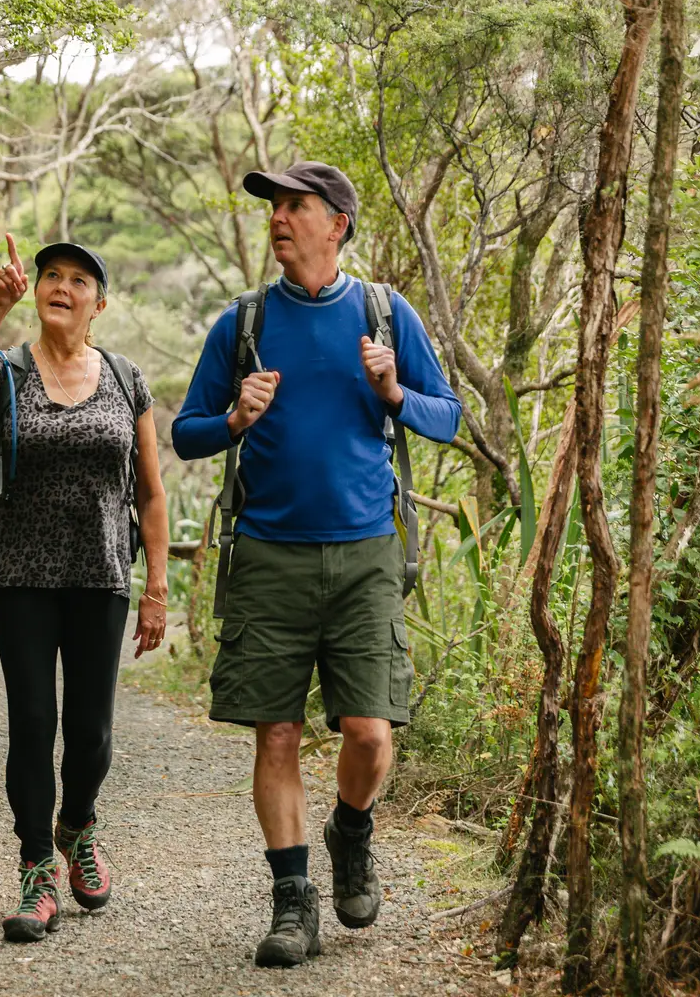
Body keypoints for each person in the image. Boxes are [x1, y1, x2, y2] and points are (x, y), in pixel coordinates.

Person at [171, 162, 462, 967]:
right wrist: (234, 416)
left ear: (338, 223)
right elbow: (186, 433)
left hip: (368, 553)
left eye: (296, 206)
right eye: (273, 208)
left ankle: (352, 829)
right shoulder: (245, 322)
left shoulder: (382, 311)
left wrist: (396, 390)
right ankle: (293, 901)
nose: (279, 219)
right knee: (277, 734)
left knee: (370, 731)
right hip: (268, 553)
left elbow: (447, 415)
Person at [0, 234, 170, 944]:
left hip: (102, 572)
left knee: (92, 733)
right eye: (50, 276)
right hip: (20, 573)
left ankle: (77, 824)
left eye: (78, 280)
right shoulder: (8, 370)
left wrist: (157, 585)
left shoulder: (127, 378)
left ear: (99, 303)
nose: (61, 286)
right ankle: (37, 867)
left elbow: (152, 495)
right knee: (33, 723)